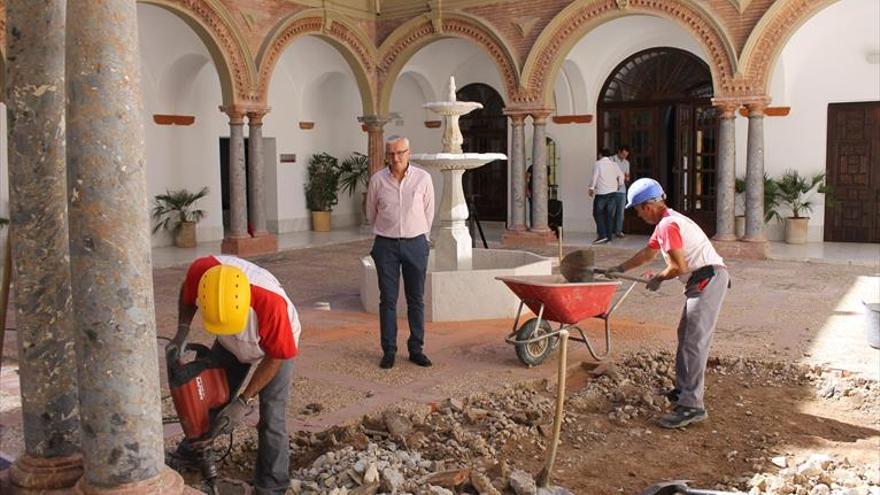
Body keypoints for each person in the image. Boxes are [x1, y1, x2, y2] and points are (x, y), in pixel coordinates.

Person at [168, 255, 301, 494]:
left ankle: (272, 486)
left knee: (272, 418)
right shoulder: (203, 272)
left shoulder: (272, 306)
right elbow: (187, 293)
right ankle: (190, 454)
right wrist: (182, 330)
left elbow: (276, 358)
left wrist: (243, 400)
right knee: (208, 400)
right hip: (230, 343)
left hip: (274, 347)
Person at [602, 178, 729, 429]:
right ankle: (683, 392)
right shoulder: (667, 222)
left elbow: (678, 266)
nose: (638, 214)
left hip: (707, 280)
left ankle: (692, 406)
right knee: (686, 335)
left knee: (694, 342)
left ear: (649, 205)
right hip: (701, 280)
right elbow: (648, 253)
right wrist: (619, 268)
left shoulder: (669, 225)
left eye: (638, 209)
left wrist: (659, 278)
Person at [366, 135, 435, 369]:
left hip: (415, 243)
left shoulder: (423, 179)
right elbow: (370, 213)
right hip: (386, 245)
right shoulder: (378, 180)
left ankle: (416, 348)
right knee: (388, 300)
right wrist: (388, 229)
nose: (396, 158)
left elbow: (429, 212)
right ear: (387, 155)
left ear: (409, 152)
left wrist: (422, 238)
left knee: (416, 299)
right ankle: (389, 350)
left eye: (400, 153)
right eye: (391, 154)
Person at [589, 148, 624, 244]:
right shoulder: (614, 164)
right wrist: (619, 185)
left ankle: (602, 235)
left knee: (597, 213)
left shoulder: (598, 164)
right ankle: (608, 237)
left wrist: (591, 188)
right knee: (609, 215)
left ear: (600, 155)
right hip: (613, 193)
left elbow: (595, 176)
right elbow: (621, 176)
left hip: (601, 194)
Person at [611, 145, 631, 238]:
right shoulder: (611, 160)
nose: (624, 157)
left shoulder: (626, 163)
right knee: (611, 211)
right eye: (623, 154)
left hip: (622, 190)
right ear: (619, 152)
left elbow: (627, 175)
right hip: (611, 189)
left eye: (626, 155)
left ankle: (618, 231)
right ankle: (609, 230)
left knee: (620, 212)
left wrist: (626, 177)